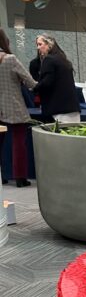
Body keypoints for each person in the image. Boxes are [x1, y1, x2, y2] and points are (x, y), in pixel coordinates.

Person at [0, 28, 37, 187]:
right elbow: (30, 82)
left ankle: (2, 177)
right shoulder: (11, 59)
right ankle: (20, 178)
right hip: (13, 105)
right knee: (18, 142)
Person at [32, 34, 80, 123]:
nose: (38, 48)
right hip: (72, 108)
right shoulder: (64, 60)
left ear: (49, 44)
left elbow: (46, 83)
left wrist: (33, 87)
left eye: (40, 44)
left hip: (57, 110)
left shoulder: (49, 60)